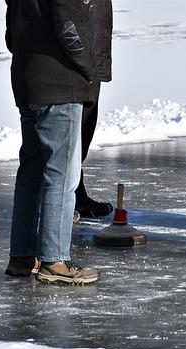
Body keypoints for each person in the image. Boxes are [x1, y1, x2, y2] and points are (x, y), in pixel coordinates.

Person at [4, 0, 99, 284]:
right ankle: (54, 260)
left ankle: (22, 257)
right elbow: (70, 29)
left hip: (27, 81)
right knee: (61, 176)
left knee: (31, 172)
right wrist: (89, 70)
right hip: (60, 87)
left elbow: (10, 37)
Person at [74, 0, 114, 222]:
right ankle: (60, 201)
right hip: (73, 66)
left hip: (91, 62)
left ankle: (76, 195)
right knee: (67, 140)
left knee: (83, 134)